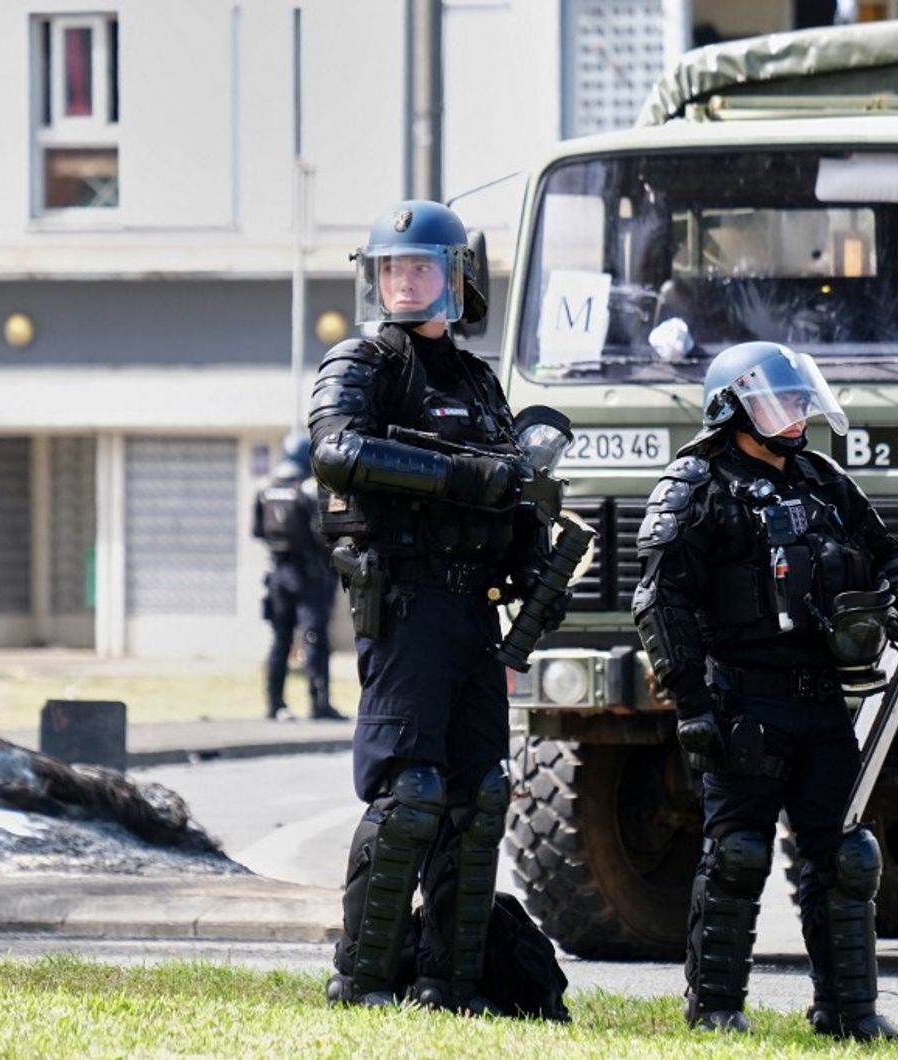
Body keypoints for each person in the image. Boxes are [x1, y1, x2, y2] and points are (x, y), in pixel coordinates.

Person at [632, 342, 898, 1041]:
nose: (793, 415)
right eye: (778, 401)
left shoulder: (821, 480)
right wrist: (692, 705)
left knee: (847, 859)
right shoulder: (695, 485)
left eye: (799, 400)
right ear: (732, 408)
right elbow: (659, 601)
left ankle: (849, 1011)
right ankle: (716, 1009)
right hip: (743, 705)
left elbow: (890, 557)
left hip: (823, 701)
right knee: (738, 855)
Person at [309, 200, 557, 1012]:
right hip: (405, 603)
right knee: (410, 794)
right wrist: (461, 476)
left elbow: (511, 483)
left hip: (476, 612)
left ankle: (451, 988)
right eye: (391, 269)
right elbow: (337, 450)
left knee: (481, 792)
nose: (404, 283)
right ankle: (363, 982)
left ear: (457, 281)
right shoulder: (362, 363)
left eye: (420, 269)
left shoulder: (480, 380)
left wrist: (531, 546)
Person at [252, 433, 344, 721]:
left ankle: (274, 703)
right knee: (315, 638)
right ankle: (319, 704)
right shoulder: (308, 490)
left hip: (278, 574)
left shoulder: (266, 489)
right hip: (309, 575)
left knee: (280, 640)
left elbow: (257, 532)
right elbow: (322, 534)